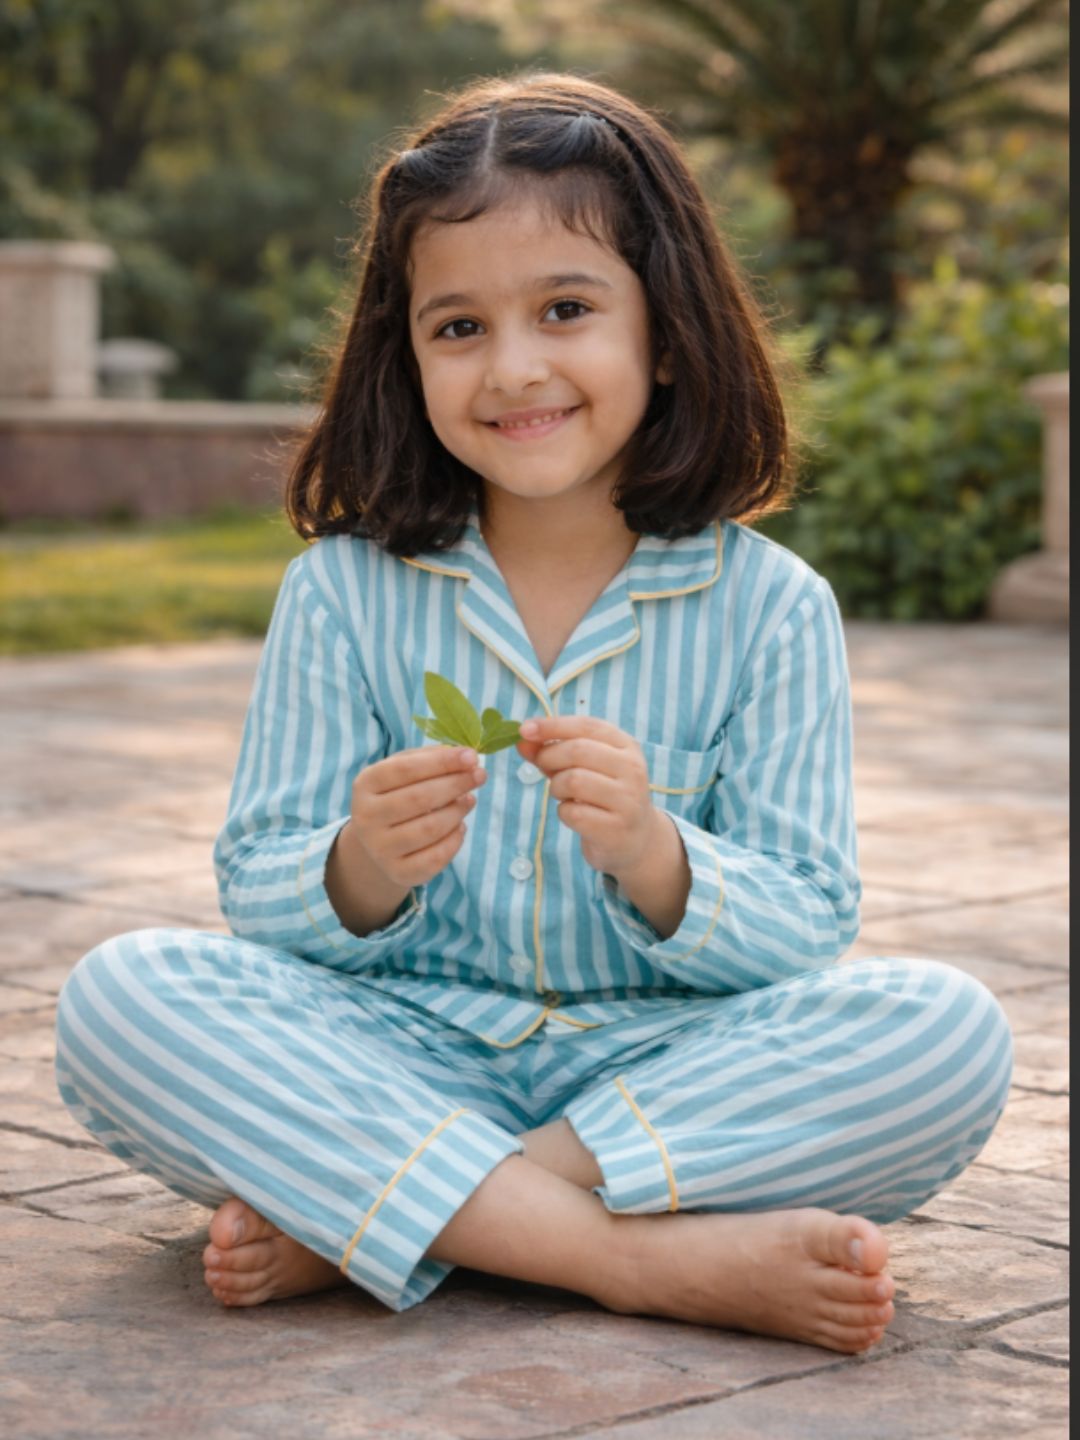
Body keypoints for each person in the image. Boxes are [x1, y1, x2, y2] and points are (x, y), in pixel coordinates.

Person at [54, 71, 1013, 1356]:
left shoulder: (776, 609)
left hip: (656, 1078)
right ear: (405, 353)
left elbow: (807, 923)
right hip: (403, 1048)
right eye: (457, 328)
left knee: (945, 1034)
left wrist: (658, 859)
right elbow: (258, 890)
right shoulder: (339, 595)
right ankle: (631, 1263)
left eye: (566, 308)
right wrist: (356, 868)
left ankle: (388, 1215)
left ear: (665, 332)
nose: (513, 369)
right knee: (127, 995)